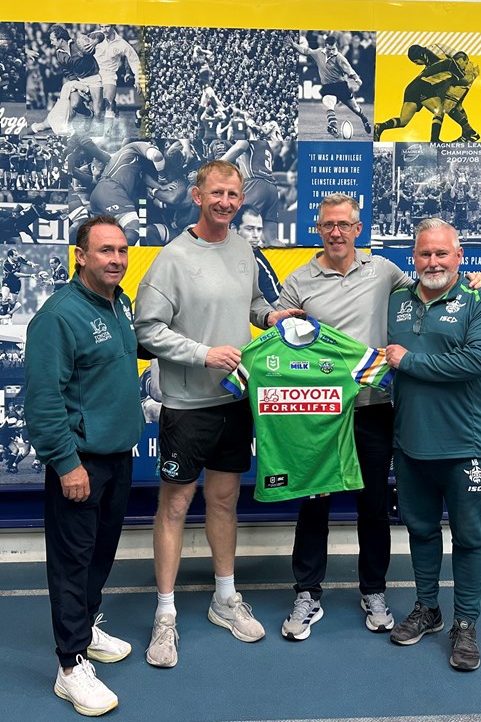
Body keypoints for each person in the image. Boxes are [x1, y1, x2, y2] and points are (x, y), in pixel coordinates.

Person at [276, 194, 481, 642]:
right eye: (328, 224)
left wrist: (475, 285)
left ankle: (373, 590)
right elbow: (271, 318)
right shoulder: (299, 279)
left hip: (375, 411)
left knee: (373, 506)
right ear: (318, 228)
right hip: (319, 413)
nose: (336, 232)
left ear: (358, 229)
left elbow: (439, 288)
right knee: (313, 504)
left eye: (345, 224)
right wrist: (271, 315)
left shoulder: (386, 273)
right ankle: (307, 592)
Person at [134, 160, 301, 668]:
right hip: (187, 406)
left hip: (234, 400)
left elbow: (249, 303)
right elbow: (147, 331)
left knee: (225, 502)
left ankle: (224, 598)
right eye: (217, 194)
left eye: (234, 194)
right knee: (176, 507)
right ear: (197, 193)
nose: (226, 202)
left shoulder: (243, 248)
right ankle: (165, 616)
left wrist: (269, 316)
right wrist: (203, 353)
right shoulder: (172, 258)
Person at [24, 215, 145, 716]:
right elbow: (44, 401)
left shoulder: (122, 304)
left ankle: (87, 626)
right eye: (105, 251)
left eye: (121, 251)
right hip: (80, 463)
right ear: (80, 256)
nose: (116, 259)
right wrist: (66, 464)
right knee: (72, 564)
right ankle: (70, 667)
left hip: (118, 457)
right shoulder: (57, 316)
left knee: (100, 554)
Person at [386, 218, 481, 671]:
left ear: (460, 257)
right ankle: (428, 609)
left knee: (471, 538)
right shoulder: (397, 299)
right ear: (412, 258)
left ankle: (466, 623)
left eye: (441, 253)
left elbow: (478, 361)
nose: (432, 262)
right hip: (411, 443)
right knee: (420, 530)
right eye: (424, 254)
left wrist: (409, 361)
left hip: (466, 444)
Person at [285, 33, 372, 138]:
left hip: (340, 86)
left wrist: (356, 79)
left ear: (336, 46)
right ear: (325, 46)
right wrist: (294, 45)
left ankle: (364, 119)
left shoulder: (339, 57)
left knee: (355, 108)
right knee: (328, 104)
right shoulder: (318, 53)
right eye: (329, 49)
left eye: (333, 48)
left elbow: (349, 70)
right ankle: (333, 127)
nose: (331, 51)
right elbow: (305, 51)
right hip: (328, 87)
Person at [234, 204, 281, 304]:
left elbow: (278, 304)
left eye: (259, 229)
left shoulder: (258, 262)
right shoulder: (214, 250)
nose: (256, 235)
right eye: (250, 229)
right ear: (234, 229)